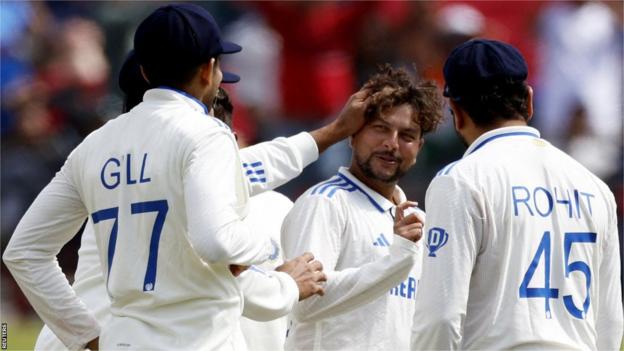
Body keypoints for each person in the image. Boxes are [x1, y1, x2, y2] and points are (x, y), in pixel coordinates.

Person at [2, 4, 368, 350]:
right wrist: (267, 254)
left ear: (144, 71)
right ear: (209, 70)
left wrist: (85, 337)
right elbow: (217, 241)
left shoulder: (95, 146)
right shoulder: (205, 135)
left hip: (120, 339)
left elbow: (24, 251)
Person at [31, 57, 325, 351]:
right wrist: (286, 284)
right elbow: (240, 287)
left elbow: (26, 253)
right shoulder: (248, 202)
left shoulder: (113, 181)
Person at [410, 39, 623, 350]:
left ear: (455, 111)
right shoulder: (594, 187)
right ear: (529, 100)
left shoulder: (460, 180)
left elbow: (441, 317)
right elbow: (611, 322)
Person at [281, 64, 443, 350]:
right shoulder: (326, 202)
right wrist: (394, 260)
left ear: (418, 148)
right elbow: (303, 303)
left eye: (406, 136)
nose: (391, 144)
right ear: (353, 135)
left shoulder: (419, 223)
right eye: (380, 129)